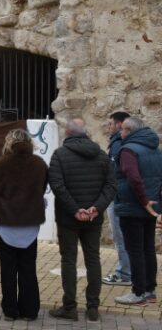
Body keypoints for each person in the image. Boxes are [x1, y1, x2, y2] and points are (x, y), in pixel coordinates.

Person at [48, 118, 116, 322]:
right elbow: (111, 186)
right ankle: (92, 308)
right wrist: (97, 208)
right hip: (93, 219)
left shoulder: (59, 155)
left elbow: (57, 186)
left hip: (68, 217)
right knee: (93, 259)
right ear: (85, 132)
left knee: (68, 260)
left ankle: (69, 307)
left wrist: (76, 210)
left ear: (67, 132)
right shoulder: (101, 155)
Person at [0, 129, 48, 321]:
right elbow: (43, 187)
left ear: (9, 143)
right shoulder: (39, 163)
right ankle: (30, 311)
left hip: (6, 222)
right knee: (28, 268)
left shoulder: (2, 163)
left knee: (8, 269)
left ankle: (10, 311)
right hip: (30, 223)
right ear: (29, 142)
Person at [113, 117, 162, 306]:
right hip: (151, 207)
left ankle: (138, 292)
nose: (120, 133)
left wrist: (143, 201)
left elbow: (133, 178)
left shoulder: (128, 150)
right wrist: (154, 205)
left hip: (133, 207)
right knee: (148, 249)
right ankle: (150, 290)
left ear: (131, 131)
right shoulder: (154, 149)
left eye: (123, 130)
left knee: (135, 251)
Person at [102, 111, 133, 286]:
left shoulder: (118, 145)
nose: (108, 127)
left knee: (120, 236)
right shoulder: (125, 142)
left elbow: (115, 173)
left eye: (110, 124)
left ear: (119, 124)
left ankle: (125, 274)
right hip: (125, 195)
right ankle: (130, 271)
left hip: (118, 196)